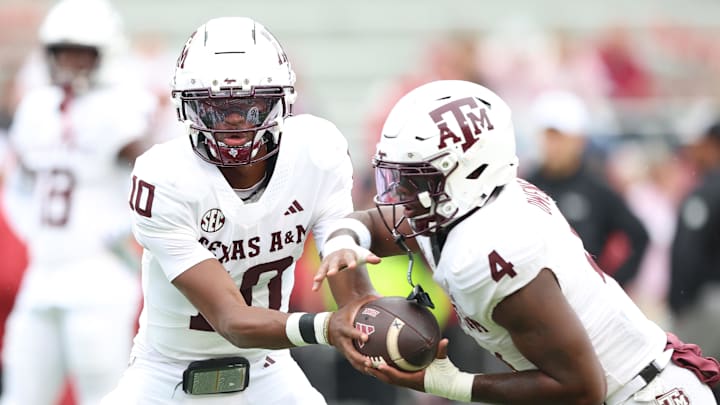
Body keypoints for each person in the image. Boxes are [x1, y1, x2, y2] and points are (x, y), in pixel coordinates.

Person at [313, 80, 720, 404]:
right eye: (396, 176)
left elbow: (580, 390)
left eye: (414, 179)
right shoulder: (465, 207)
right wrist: (344, 245)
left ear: (466, 172)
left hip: (639, 395)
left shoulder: (487, 248)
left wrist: (451, 384)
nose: (399, 193)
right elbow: (369, 223)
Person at [101, 16, 377, 404]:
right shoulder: (164, 175)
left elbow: (350, 288)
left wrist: (381, 324)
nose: (233, 123)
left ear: (281, 100)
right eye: (215, 108)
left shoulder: (317, 152)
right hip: (166, 375)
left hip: (269, 368)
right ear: (187, 106)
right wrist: (327, 326)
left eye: (251, 106)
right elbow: (231, 319)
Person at [0, 0, 158, 404]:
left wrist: (120, 227)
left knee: (104, 393)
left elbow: (150, 168)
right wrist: (32, 230)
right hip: (44, 271)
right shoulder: (38, 108)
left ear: (105, 53)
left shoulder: (120, 106)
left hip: (98, 275)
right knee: (21, 391)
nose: (71, 62)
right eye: (63, 51)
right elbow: (20, 183)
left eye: (82, 52)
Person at [525, 89, 649, 287]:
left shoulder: (597, 189)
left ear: (579, 140)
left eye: (560, 137)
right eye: (549, 137)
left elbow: (639, 235)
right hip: (534, 303)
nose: (553, 146)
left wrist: (611, 285)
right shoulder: (525, 186)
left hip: (584, 307)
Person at [670, 119, 720, 401]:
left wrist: (680, 300)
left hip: (709, 303)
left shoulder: (707, 191)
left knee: (686, 378)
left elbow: (687, 253)